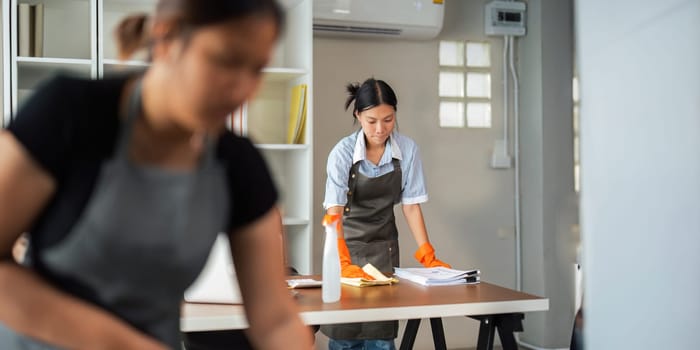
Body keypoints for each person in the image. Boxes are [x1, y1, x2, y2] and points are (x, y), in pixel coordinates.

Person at [0, 1, 314, 349]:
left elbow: (275, 320)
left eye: (257, 70)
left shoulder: (236, 164)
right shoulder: (69, 114)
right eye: (226, 61)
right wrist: (122, 344)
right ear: (167, 39)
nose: (243, 90)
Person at [321, 78, 451, 350]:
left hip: (384, 252)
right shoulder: (342, 153)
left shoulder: (408, 150)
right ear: (358, 116)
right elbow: (334, 212)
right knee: (345, 335)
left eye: (388, 119)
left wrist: (428, 254)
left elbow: (411, 205)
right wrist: (342, 260)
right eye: (371, 121)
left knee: (381, 336)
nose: (380, 129)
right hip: (347, 250)